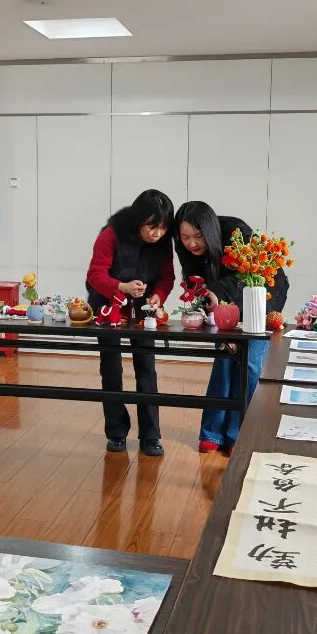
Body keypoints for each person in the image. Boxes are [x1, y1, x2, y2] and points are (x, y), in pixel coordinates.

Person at [174, 201, 289, 456]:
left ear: (209, 229)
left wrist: (230, 311)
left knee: (250, 364)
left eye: (198, 236)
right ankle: (213, 432)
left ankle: (241, 434)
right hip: (222, 304)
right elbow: (197, 283)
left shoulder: (236, 232)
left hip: (261, 296)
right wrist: (213, 315)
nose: (192, 243)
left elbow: (252, 276)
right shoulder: (186, 249)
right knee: (225, 360)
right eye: (184, 237)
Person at [86, 189, 175, 456]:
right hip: (109, 308)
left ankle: (151, 435)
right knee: (111, 368)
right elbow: (95, 274)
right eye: (152, 226)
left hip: (143, 311)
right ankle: (116, 432)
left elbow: (166, 278)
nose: (157, 234)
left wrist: (158, 297)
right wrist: (121, 287)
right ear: (138, 220)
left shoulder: (163, 242)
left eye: (163, 227)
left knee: (146, 367)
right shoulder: (111, 234)